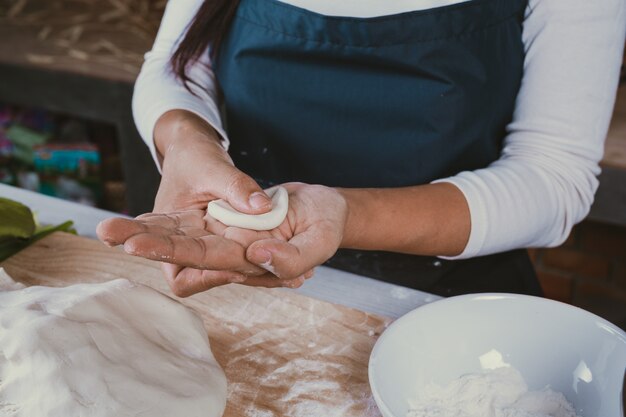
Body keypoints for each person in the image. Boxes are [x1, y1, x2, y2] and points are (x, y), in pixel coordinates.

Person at [97, 0, 626, 298]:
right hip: (240, 271)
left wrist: (346, 215)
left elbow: (554, 178)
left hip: (447, 297)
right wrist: (187, 140)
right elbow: (178, 65)